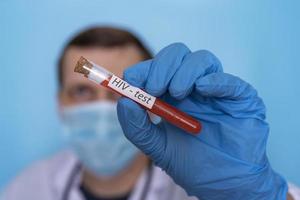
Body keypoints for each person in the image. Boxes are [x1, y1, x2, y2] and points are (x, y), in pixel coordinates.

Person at [1, 26, 300, 200]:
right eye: (82, 92)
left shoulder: (199, 184)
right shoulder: (26, 189)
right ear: (60, 104)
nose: (104, 108)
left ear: (149, 97)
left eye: (121, 90)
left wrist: (260, 195)